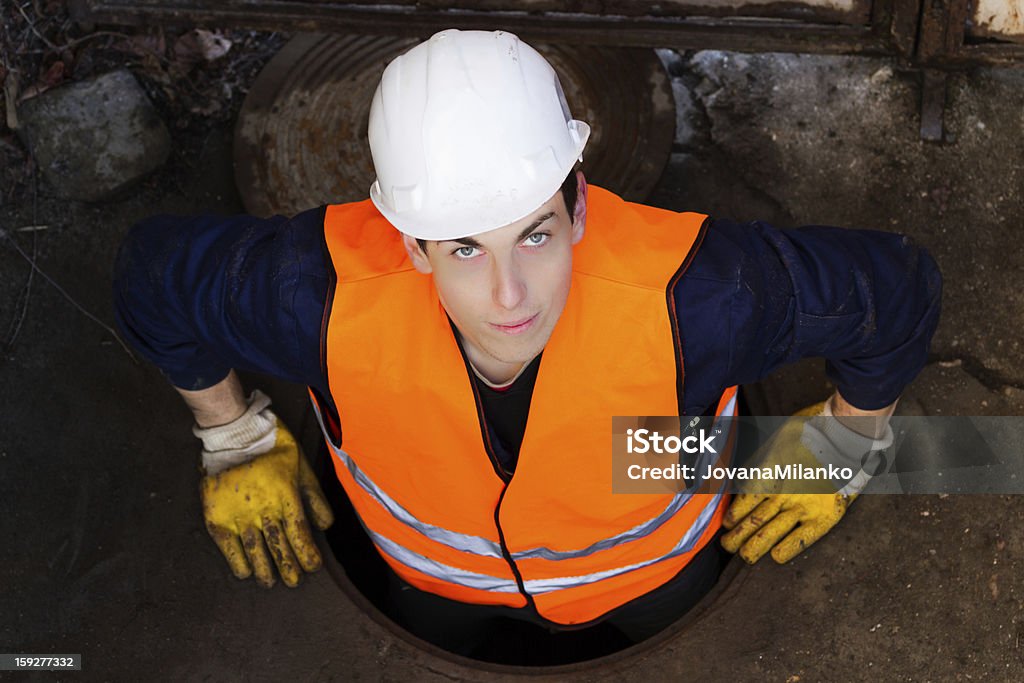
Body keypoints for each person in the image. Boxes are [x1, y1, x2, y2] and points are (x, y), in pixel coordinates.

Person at [113, 29, 941, 651]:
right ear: (408, 242)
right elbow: (151, 278)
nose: (510, 297)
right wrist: (231, 434)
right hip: (431, 587)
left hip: (657, 567)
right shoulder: (317, 298)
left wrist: (845, 436)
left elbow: (897, 290)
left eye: (537, 233)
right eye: (465, 247)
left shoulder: (699, 297)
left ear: (579, 203)